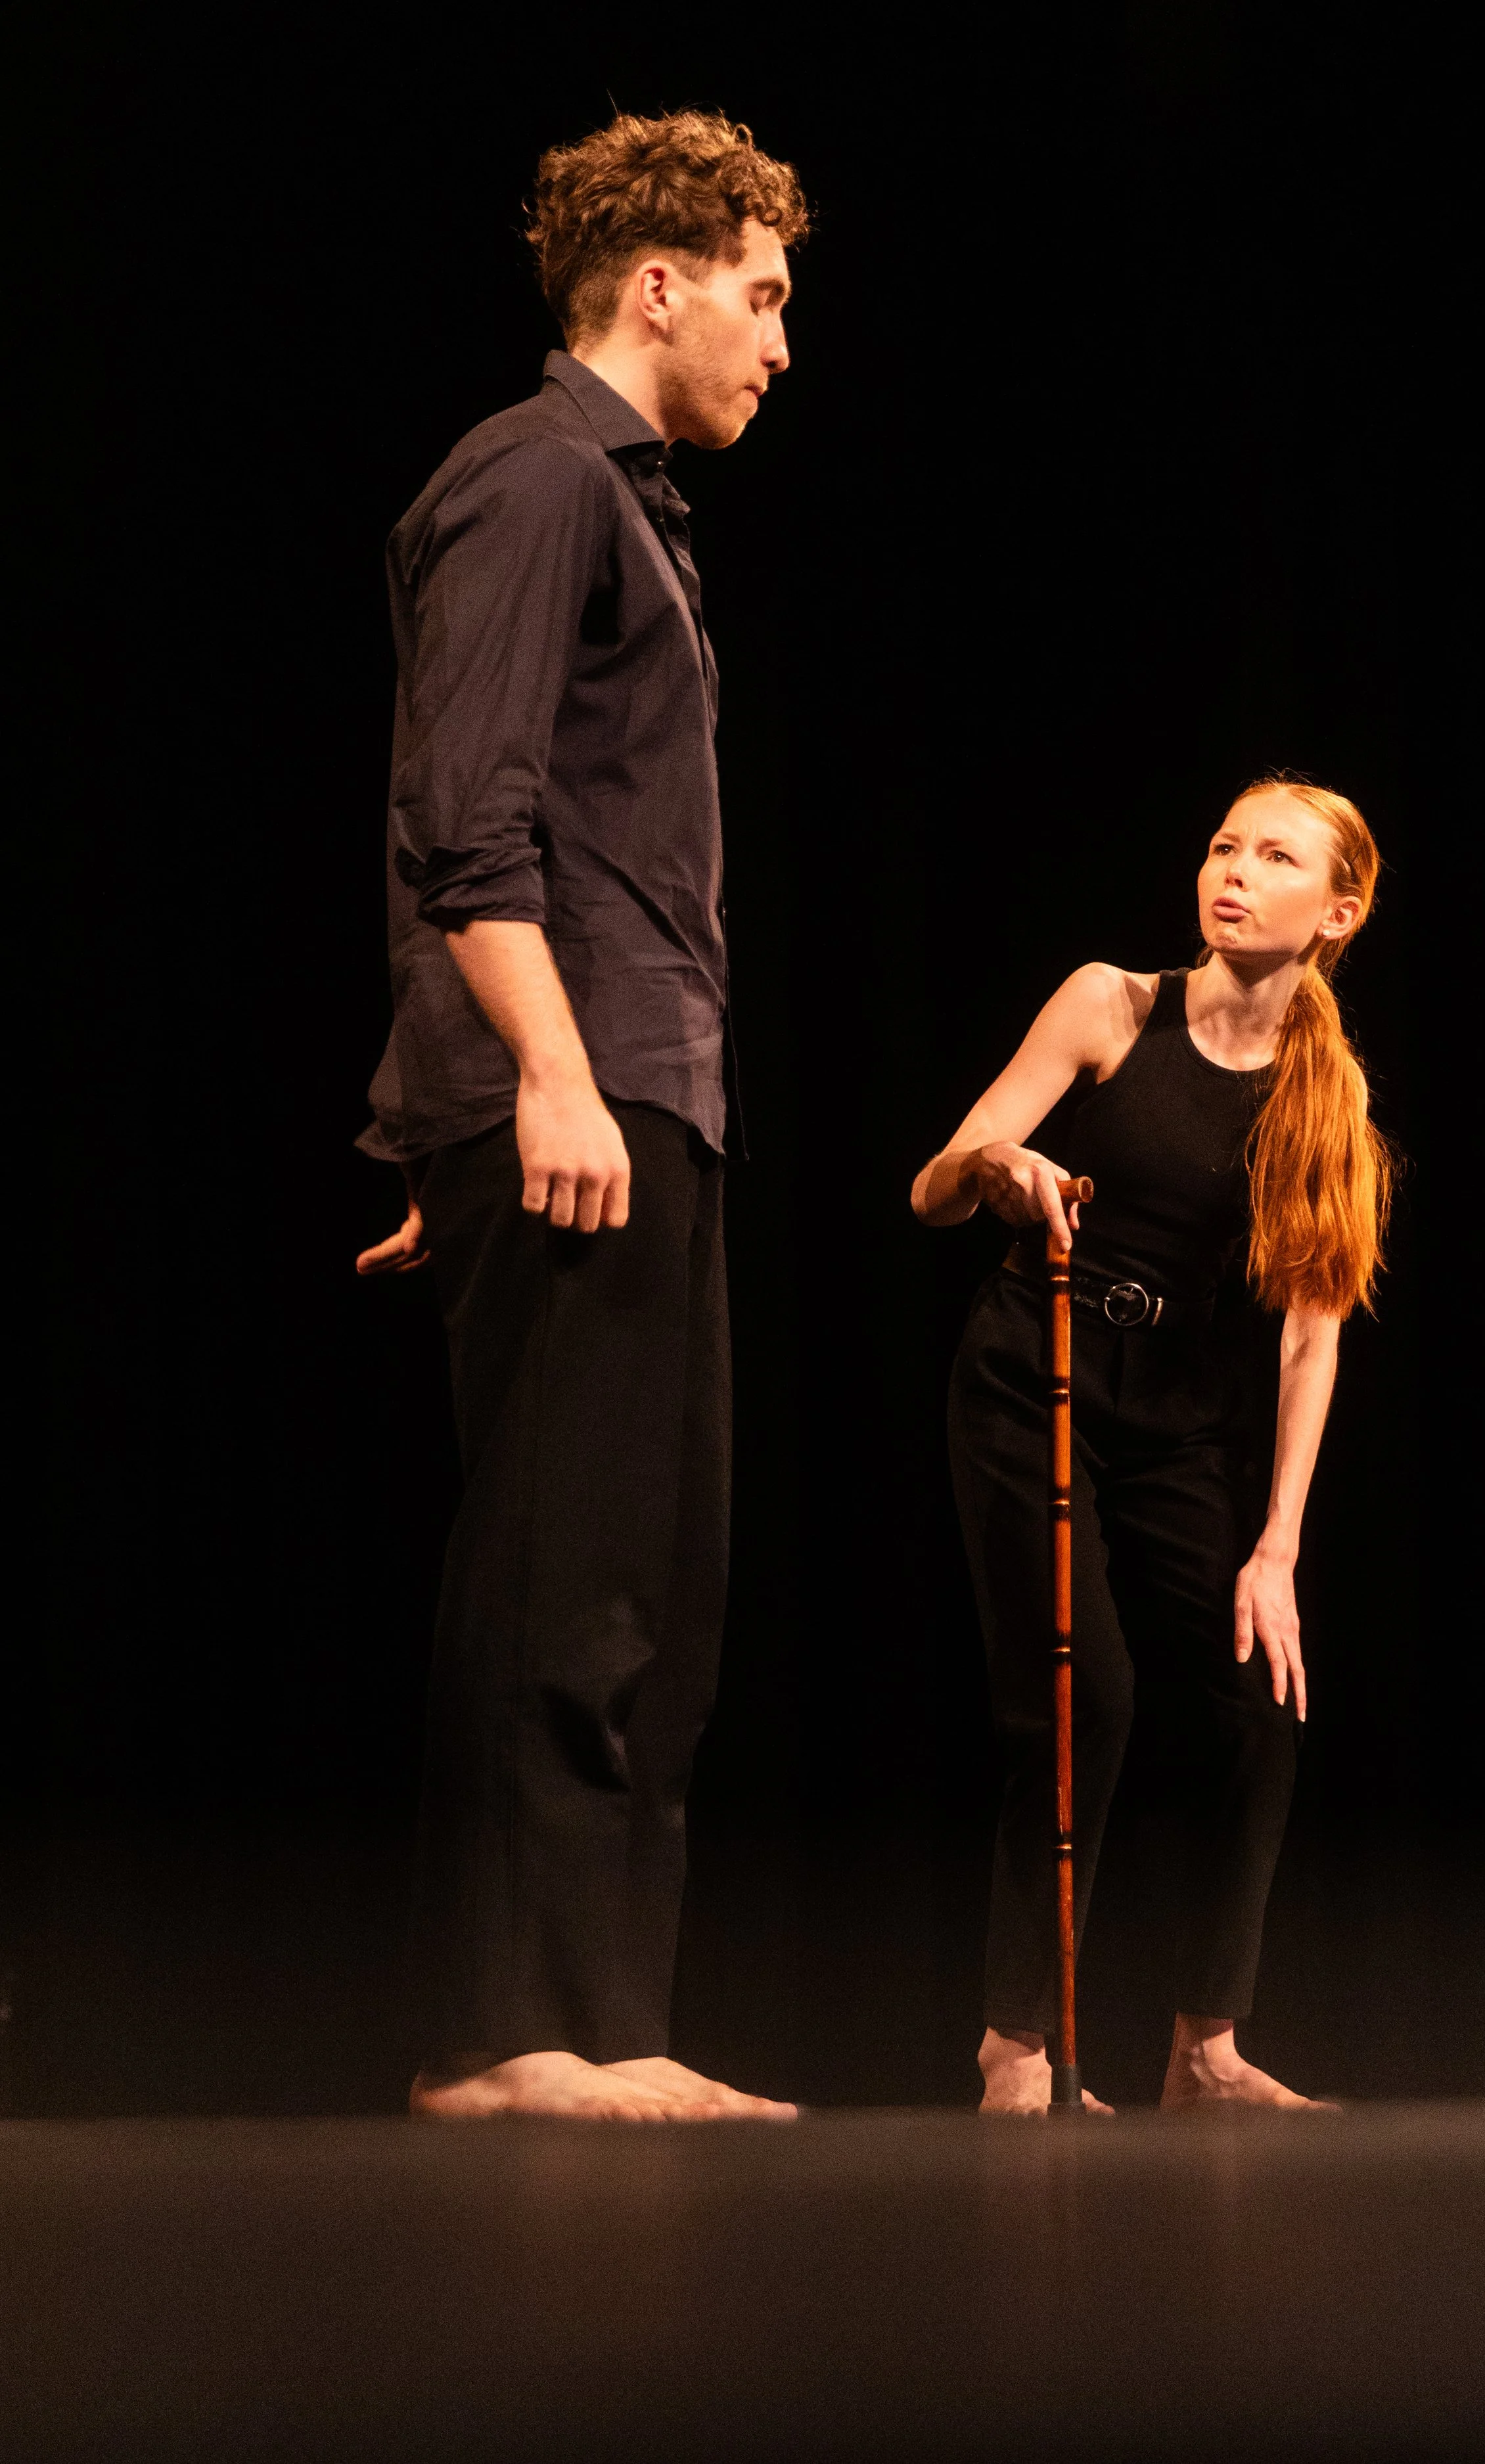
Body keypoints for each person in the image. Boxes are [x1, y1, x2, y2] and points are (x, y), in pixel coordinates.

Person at [354, 112, 808, 2121]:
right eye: (764, 296)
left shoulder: (628, 506)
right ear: (662, 284)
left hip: (629, 1089)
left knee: (652, 1580)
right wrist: (521, 1074)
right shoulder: (538, 481)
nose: (780, 345)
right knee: (559, 1570)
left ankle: (605, 2018)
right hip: (583, 1083)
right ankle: (504, 2029)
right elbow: (464, 817)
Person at [912, 777, 1392, 2115]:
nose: (1230, 871)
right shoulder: (1108, 1005)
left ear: (1334, 911)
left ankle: (1203, 2050)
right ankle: (1014, 2046)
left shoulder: (1323, 1095)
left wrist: (1275, 1549)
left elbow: (1309, 1339)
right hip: (1034, 1383)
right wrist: (999, 1169)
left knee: (1256, 1699)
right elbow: (934, 1185)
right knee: (1083, 1699)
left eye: (1273, 856)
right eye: (1221, 844)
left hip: (1180, 1424)